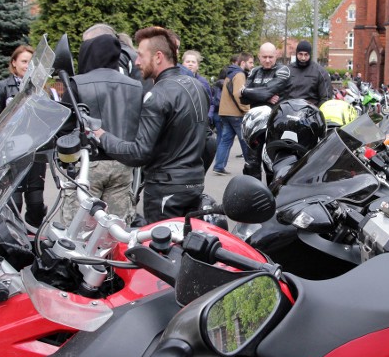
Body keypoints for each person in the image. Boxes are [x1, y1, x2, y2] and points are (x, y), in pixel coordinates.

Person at [93, 26, 209, 223]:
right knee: (183, 245)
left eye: (140, 56)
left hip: (166, 189)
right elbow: (208, 139)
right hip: (193, 184)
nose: (136, 62)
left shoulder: (158, 95)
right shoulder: (196, 85)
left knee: (161, 249)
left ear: (158, 57)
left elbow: (139, 153)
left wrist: (102, 136)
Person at [61, 33, 143, 225]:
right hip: (123, 165)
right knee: (116, 229)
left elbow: (64, 128)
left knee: (78, 230)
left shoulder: (77, 83)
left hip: (89, 164)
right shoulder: (136, 86)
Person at [0, 45, 47, 226]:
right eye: (23, 61)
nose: (27, 65)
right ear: (14, 63)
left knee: (36, 203)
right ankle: (13, 242)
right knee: (14, 202)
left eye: (31, 62)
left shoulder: (41, 90)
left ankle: (34, 241)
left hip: (36, 153)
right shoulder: (0, 88)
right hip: (11, 154)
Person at [240, 42, 291, 180]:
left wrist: (250, 92)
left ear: (276, 56)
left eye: (270, 57)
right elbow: (242, 98)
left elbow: (264, 92)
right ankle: (253, 197)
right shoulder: (254, 71)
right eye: (264, 57)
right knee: (251, 165)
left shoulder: (283, 70)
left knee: (271, 165)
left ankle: (273, 198)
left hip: (274, 125)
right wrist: (264, 95)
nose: (267, 60)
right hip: (255, 125)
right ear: (259, 56)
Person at [212, 52, 253, 175]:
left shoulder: (230, 73)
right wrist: (247, 110)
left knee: (225, 140)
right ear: (243, 63)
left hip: (225, 112)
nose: (252, 65)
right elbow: (238, 94)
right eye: (250, 62)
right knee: (244, 140)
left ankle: (219, 166)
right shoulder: (239, 74)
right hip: (236, 114)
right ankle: (250, 166)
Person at [286, 40, 333, 107]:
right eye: (300, 54)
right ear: (296, 54)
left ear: (310, 55)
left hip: (310, 112)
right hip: (289, 110)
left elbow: (326, 97)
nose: (303, 58)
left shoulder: (320, 72)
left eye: (306, 55)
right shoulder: (287, 70)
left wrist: (317, 112)